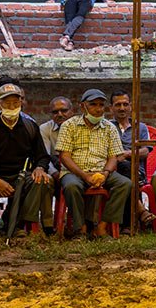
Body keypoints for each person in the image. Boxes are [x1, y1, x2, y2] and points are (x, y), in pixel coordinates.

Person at [0, 83, 52, 238]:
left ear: (21, 102)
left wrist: (40, 168)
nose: (12, 106)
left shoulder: (30, 126)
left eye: (15, 103)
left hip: (20, 175)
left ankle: (18, 224)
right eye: (7, 103)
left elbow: (42, 156)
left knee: (40, 180)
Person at [54, 89, 133, 238]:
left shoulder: (109, 127)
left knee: (125, 184)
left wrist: (105, 173)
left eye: (101, 105)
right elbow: (64, 156)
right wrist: (84, 175)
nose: (98, 109)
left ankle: (102, 226)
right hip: (75, 172)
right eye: (93, 105)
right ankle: (81, 228)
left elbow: (113, 156)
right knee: (71, 186)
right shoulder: (69, 125)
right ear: (83, 106)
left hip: (101, 171)